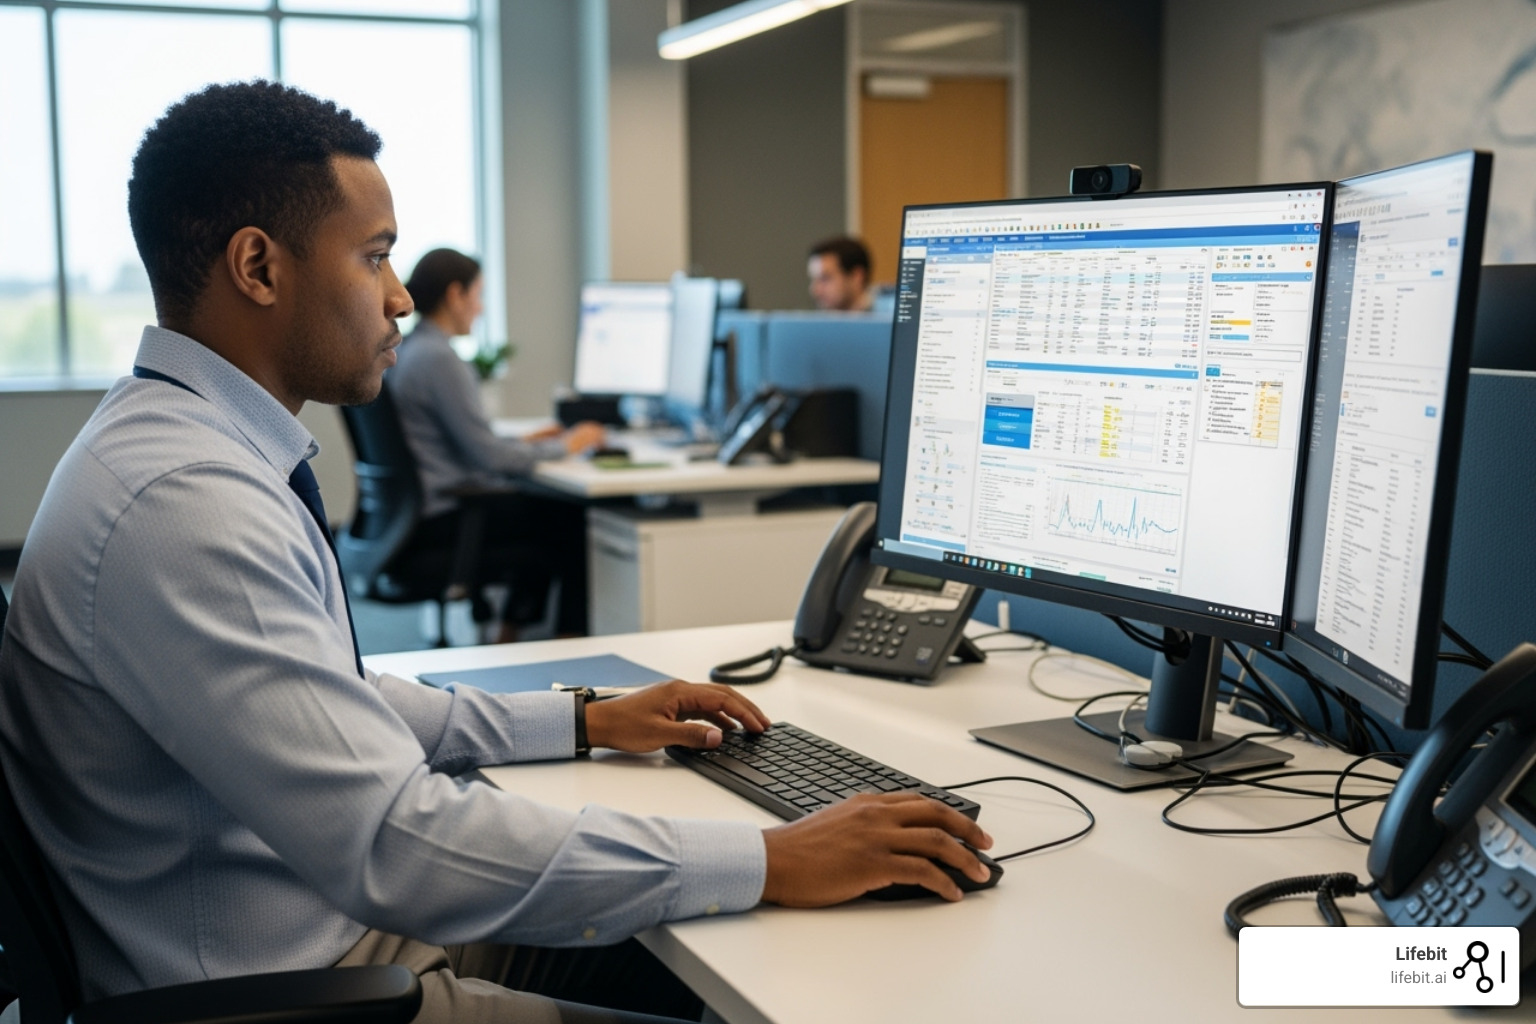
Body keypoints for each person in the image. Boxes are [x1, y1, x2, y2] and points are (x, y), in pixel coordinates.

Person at [0, 81, 994, 1024]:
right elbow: (394, 840)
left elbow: (325, 699)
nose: (399, 297)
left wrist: (582, 719)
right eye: (374, 257)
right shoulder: (183, 504)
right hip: (305, 989)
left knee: (742, 957)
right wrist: (772, 856)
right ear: (259, 266)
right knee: (756, 960)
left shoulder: (178, 449)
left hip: (334, 930)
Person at [389, 246, 602, 639]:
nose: (481, 308)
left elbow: (463, 441)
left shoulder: (411, 351)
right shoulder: (440, 360)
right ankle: (567, 648)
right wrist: (569, 444)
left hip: (417, 515)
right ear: (455, 295)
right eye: (478, 295)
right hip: (450, 515)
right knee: (572, 522)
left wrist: (526, 440)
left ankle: (510, 636)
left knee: (547, 517)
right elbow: (489, 457)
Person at [807, 235, 874, 311]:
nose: (815, 290)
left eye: (825, 278)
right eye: (813, 279)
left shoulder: (886, 318)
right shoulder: (822, 320)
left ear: (857, 276)